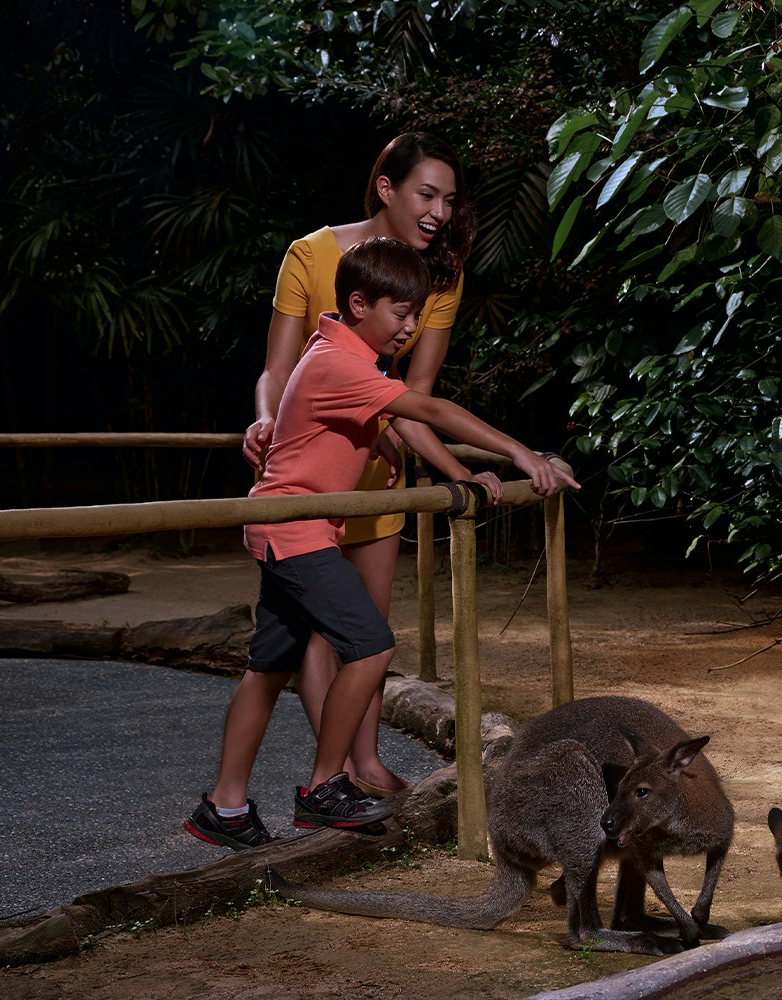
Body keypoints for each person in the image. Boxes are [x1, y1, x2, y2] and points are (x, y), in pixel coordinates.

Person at [186, 236, 580, 848]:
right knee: (370, 645)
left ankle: (224, 808)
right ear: (360, 303)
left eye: (417, 314)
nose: (411, 327)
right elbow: (433, 409)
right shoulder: (337, 365)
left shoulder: (345, 356)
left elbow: (401, 421)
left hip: (287, 524)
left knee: (268, 670)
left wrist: (459, 474)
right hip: (297, 528)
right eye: (401, 314)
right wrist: (519, 454)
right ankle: (323, 789)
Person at [243, 132, 480, 799]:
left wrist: (445, 468)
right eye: (426, 195)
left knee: (368, 633)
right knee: (321, 633)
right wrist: (265, 420)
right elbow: (277, 370)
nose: (439, 212)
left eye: (448, 200)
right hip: (308, 470)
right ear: (386, 188)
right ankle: (336, 775)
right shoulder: (311, 254)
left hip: (379, 473)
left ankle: (365, 762)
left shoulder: (441, 275)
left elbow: (418, 390)